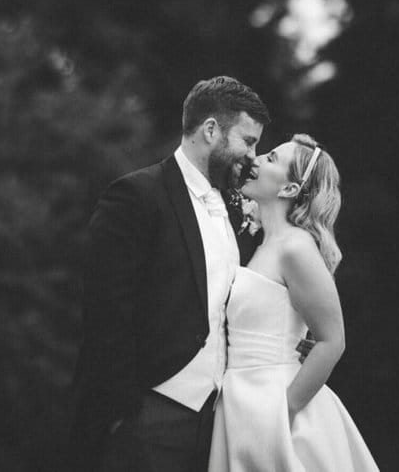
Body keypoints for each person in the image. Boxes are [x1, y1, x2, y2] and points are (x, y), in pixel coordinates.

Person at [69, 76, 270, 472]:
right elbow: (106, 309)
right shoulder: (137, 196)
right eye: (248, 141)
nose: (253, 156)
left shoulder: (233, 209)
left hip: (218, 422)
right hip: (149, 415)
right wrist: (129, 409)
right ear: (211, 130)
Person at [208, 134, 379, 472]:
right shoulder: (262, 246)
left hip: (276, 406)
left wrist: (282, 412)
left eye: (271, 158)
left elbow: (332, 340)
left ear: (288, 189)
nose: (255, 160)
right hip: (241, 401)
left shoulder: (296, 247)